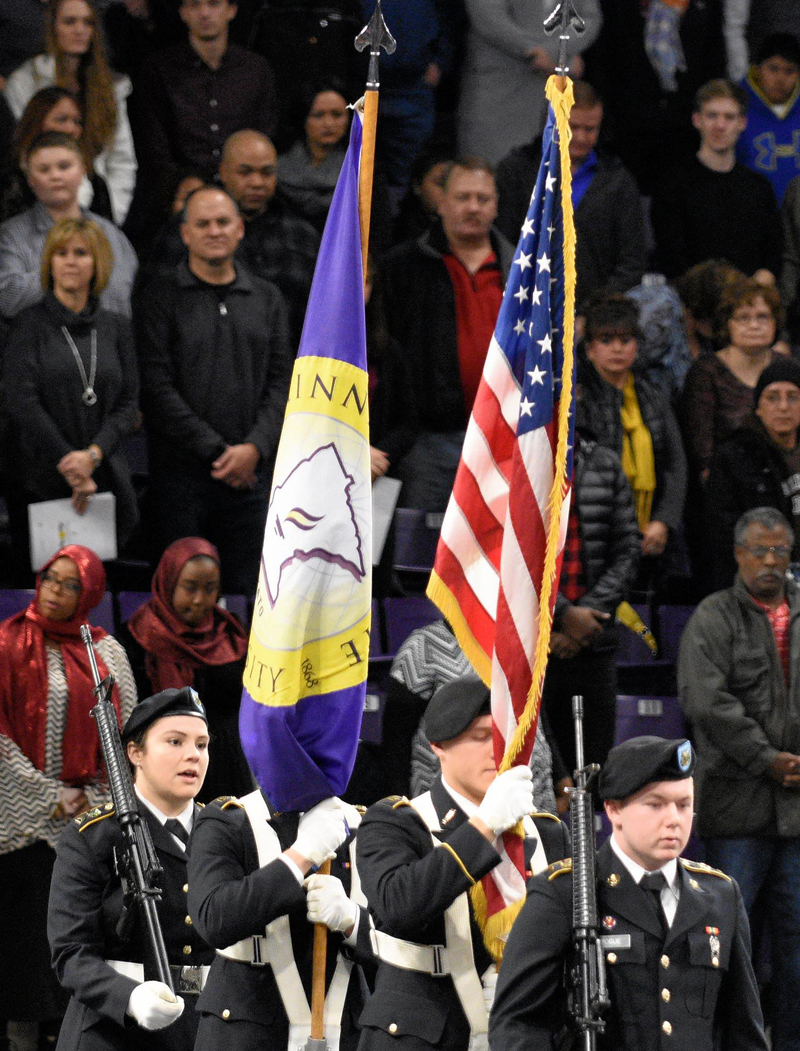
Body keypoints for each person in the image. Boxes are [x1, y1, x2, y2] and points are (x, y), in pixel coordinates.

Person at [489, 735, 768, 1051]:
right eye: (655, 804)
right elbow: (517, 1025)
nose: (673, 820)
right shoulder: (565, 893)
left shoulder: (720, 895)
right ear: (613, 810)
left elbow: (743, 1030)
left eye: (683, 804)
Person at [356, 676, 570, 1051]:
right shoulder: (397, 821)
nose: (497, 751)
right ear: (439, 746)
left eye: (504, 737)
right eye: (479, 736)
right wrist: (484, 827)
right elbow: (399, 908)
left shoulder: (547, 833)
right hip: (427, 1036)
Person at [0, 545, 137, 1051]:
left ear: (90, 593)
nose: (54, 591)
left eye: (68, 584)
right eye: (48, 580)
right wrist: (48, 795)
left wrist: (96, 799)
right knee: (27, 948)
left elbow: (127, 737)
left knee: (82, 934)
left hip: (91, 816)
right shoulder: (8, 642)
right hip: (21, 823)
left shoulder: (109, 652)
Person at [678, 506, 800, 1051]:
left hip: (797, 815)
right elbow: (706, 703)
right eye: (760, 551)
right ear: (737, 554)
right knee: (731, 940)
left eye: (781, 552)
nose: (771, 563)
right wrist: (767, 758)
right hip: (737, 810)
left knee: (798, 944)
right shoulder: (713, 616)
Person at [135, 185, 292, 594]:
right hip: (182, 481)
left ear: (240, 229)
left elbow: (283, 382)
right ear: (185, 233)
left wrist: (254, 447)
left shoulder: (268, 298)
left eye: (223, 222)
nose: (214, 231)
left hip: (253, 479)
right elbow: (156, 386)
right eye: (202, 223)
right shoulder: (158, 297)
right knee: (177, 600)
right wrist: (219, 452)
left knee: (251, 598)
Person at [49, 687, 215, 1051]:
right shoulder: (93, 837)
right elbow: (71, 953)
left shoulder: (224, 830)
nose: (193, 755)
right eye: (175, 741)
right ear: (135, 753)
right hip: (113, 1031)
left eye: (202, 745)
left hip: (205, 1027)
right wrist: (130, 998)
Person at [188, 790, 372, 1051]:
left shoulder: (364, 824)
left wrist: (352, 919)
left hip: (347, 1030)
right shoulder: (230, 819)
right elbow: (214, 920)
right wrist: (300, 857)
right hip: (249, 1030)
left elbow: (398, 943)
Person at [3, 216, 139, 564]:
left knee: (98, 587)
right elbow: (21, 401)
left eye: (81, 253)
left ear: (98, 263)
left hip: (103, 472)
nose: (70, 261)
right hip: (41, 476)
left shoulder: (117, 328)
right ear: (49, 262)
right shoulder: (27, 325)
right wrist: (71, 462)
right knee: (48, 589)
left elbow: (128, 404)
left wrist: (92, 456)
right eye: (61, 253)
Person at [380, 157, 513, 511]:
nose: (473, 207)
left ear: (496, 205)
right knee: (418, 559)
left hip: (505, 439)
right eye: (462, 197)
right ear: (440, 203)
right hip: (427, 442)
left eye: (483, 199)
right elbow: (382, 352)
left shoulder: (522, 270)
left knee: (497, 559)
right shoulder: (403, 266)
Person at [119, 537, 253, 802]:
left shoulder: (232, 635)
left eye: (210, 589)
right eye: (190, 587)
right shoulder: (137, 637)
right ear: (168, 582)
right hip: (162, 767)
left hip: (225, 765)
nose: (199, 600)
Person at [542, 426, 641, 781]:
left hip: (594, 640)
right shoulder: (513, 457)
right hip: (535, 644)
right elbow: (506, 553)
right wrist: (564, 615)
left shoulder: (604, 462)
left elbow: (628, 549)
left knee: (595, 773)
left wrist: (584, 619)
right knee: (541, 776)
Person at [496, 80, 647, 310]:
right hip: (524, 311)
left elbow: (632, 262)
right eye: (572, 127)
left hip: (595, 320)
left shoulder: (618, 181)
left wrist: (593, 313)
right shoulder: (515, 172)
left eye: (590, 129)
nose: (581, 138)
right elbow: (502, 244)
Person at [132, 0, 277, 222]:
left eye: (214, 4)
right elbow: (154, 148)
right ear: (182, 12)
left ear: (232, 9)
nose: (204, 13)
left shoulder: (255, 69)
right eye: (194, 5)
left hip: (247, 193)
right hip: (180, 195)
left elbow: (265, 134)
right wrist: (183, 182)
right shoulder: (159, 70)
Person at [577, 294, 687, 578]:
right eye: (606, 340)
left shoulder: (653, 396)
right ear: (589, 349)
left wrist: (663, 521)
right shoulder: (577, 400)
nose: (617, 349)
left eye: (625, 340)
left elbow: (675, 463)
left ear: (637, 347)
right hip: (594, 532)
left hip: (650, 529)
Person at [4, 0, 137, 225]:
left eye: (88, 23)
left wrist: (108, 219)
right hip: (36, 209)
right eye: (69, 22)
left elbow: (122, 161)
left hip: (99, 209)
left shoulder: (112, 88)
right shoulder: (26, 80)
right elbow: (23, 149)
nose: (79, 30)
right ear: (53, 26)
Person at [652, 79, 781, 280]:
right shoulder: (673, 186)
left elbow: (773, 257)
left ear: (742, 123)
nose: (720, 125)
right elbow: (674, 261)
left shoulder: (759, 188)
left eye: (729, 117)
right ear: (697, 120)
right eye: (712, 115)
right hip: (695, 303)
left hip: (749, 302)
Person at [0, 131, 137, 320]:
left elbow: (128, 298)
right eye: (44, 169)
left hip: (105, 343)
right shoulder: (11, 235)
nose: (55, 175)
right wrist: (58, 273)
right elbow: (7, 300)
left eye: (64, 166)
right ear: (30, 179)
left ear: (83, 171)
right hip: (38, 345)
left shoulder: (110, 234)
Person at [457, 0, 600, 166]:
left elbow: (589, 17)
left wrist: (557, 51)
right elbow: (489, 19)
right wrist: (537, 51)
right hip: (500, 93)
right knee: (491, 171)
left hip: (555, 99)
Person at [219, 129, 319, 348]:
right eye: (245, 172)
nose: (257, 182)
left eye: (267, 173)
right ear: (223, 172)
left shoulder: (303, 234)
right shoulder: (196, 229)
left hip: (291, 364)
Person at [705, 358, 800, 588]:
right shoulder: (735, 456)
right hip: (759, 579)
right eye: (773, 397)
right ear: (758, 407)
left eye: (793, 397)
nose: (784, 407)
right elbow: (724, 533)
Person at [679, 275, 781, 485]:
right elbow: (702, 456)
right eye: (743, 317)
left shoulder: (787, 368)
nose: (754, 325)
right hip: (726, 486)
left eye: (763, 317)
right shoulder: (705, 373)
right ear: (727, 324)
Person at [0, 85, 113, 223]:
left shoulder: (96, 183)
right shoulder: (11, 178)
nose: (71, 129)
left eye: (77, 122)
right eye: (62, 119)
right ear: (38, 122)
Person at [737, 32, 800, 205]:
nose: (780, 79)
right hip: (751, 213)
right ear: (757, 71)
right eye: (773, 68)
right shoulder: (735, 112)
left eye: (789, 70)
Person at [278, 84, 350, 232]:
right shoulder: (277, 169)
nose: (328, 124)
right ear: (303, 118)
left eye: (337, 115)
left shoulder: (363, 170)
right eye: (318, 115)